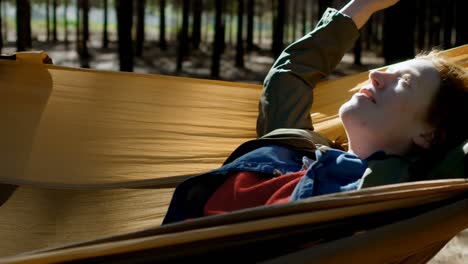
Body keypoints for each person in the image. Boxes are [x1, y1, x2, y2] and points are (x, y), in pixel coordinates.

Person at [162, 0, 468, 224]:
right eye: (386, 70)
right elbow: (288, 78)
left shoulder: (397, 193)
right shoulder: (297, 146)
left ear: (428, 134)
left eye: (404, 81)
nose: (375, 74)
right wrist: (360, 8)